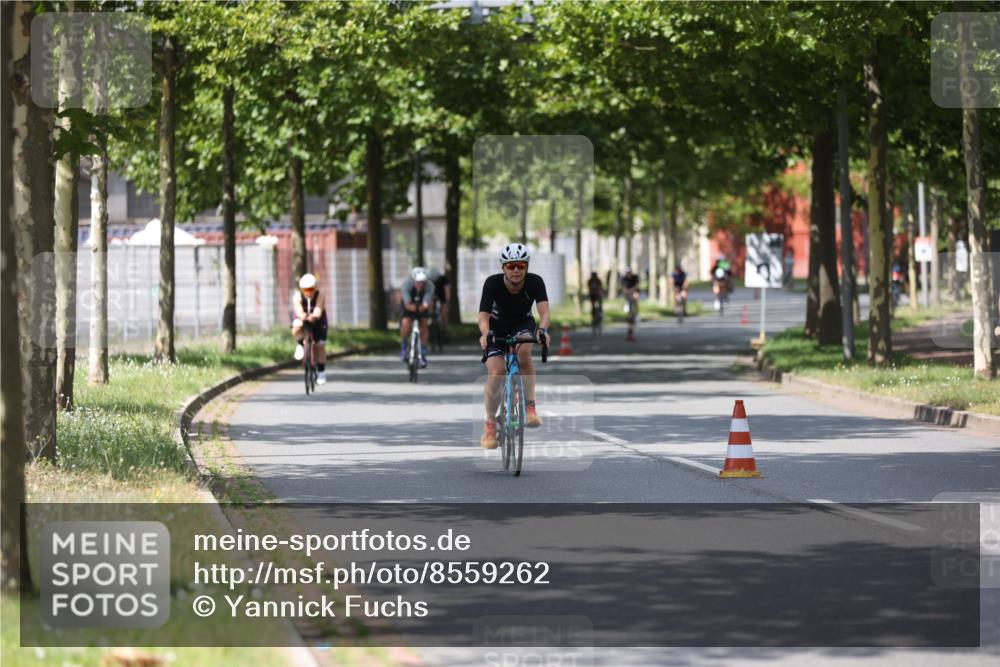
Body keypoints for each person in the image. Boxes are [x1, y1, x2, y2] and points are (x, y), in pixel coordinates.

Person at [478, 243, 551, 449]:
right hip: (496, 328)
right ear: (503, 268)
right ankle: (491, 424)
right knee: (497, 372)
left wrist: (543, 330)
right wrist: (485, 333)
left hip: (522, 324)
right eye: (511, 266)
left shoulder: (535, 282)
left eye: (520, 265)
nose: (516, 270)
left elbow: (544, 312)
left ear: (526, 266)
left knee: (524, 352)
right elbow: (483, 315)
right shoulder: (492, 283)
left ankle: (530, 408)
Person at [291, 273, 328, 385]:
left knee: (320, 345)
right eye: (305, 290)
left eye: (311, 289)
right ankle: (300, 344)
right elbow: (298, 309)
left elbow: (318, 308)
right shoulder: (297, 296)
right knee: (296, 326)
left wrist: (314, 316)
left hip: (318, 321)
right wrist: (302, 316)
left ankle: (321, 372)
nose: (308, 292)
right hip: (303, 319)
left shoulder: (320, 295)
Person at [400, 267, 434, 368]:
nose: (420, 284)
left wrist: (423, 307)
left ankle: (423, 354)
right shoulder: (406, 284)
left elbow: (426, 304)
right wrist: (413, 308)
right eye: (418, 282)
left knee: (424, 324)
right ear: (413, 280)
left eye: (423, 282)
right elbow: (407, 304)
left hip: (422, 306)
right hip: (409, 305)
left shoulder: (430, 286)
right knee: (406, 323)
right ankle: (404, 346)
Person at [429, 266, 451, 340]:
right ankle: (432, 321)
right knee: (431, 305)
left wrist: (447, 301)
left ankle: (445, 330)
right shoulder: (429, 280)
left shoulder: (443, 279)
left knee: (444, 314)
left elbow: (447, 290)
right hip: (432, 298)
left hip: (443, 298)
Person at [621, 266, 640, 341]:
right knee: (628, 303)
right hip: (628, 293)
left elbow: (637, 285)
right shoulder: (624, 279)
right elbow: (624, 288)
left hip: (634, 291)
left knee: (635, 298)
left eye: (630, 272)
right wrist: (626, 292)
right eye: (627, 273)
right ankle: (629, 312)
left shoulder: (635, 277)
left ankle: (636, 312)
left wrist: (634, 291)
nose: (629, 274)